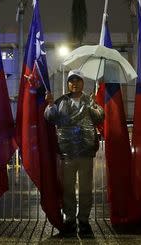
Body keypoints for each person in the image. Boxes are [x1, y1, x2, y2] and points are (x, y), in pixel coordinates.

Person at [44, 69, 104, 235]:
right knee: (68, 188)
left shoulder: (89, 100)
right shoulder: (61, 101)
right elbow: (50, 118)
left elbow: (100, 117)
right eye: (71, 81)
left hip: (85, 152)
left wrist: (93, 104)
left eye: (77, 80)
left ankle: (83, 220)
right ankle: (69, 219)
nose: (74, 83)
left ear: (83, 83)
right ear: (68, 83)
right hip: (67, 152)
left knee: (85, 188)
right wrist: (49, 105)